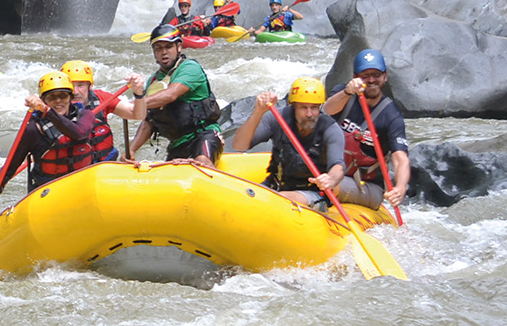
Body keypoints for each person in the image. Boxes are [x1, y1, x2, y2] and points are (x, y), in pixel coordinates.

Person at [0, 71, 99, 211]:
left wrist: (47, 110)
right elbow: (10, 166)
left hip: (82, 188)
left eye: (63, 95)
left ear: (70, 97)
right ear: (44, 100)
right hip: (48, 193)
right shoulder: (33, 129)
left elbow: (79, 134)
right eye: (52, 97)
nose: (58, 101)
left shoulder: (86, 115)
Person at [232, 77, 345, 207]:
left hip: (311, 191)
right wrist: (258, 112)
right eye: (303, 108)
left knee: (280, 199)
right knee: (242, 199)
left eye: (314, 108)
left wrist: (330, 178)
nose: (309, 114)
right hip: (276, 184)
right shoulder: (277, 118)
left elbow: (338, 165)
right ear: (294, 106)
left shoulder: (330, 129)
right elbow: (239, 145)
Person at [124, 24, 224, 166]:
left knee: (202, 163)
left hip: (204, 136)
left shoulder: (190, 68)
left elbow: (171, 94)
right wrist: (131, 150)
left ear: (179, 47)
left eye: (168, 47)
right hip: (177, 144)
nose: (164, 52)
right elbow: (148, 122)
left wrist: (133, 104)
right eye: (158, 48)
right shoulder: (153, 81)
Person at [324, 48, 411, 209]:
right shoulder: (343, 94)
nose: (371, 80)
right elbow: (327, 109)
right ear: (355, 78)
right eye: (365, 76)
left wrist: (400, 187)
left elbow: (400, 158)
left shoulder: (392, 117)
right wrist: (347, 92)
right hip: (332, 171)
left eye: (376, 75)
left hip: (366, 185)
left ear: (385, 77)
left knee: (329, 184)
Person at [60, 60, 147, 164]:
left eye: (80, 85)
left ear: (90, 86)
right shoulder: (55, 106)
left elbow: (137, 115)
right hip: (74, 169)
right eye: (71, 86)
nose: (75, 91)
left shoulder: (102, 98)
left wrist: (139, 93)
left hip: (104, 165)